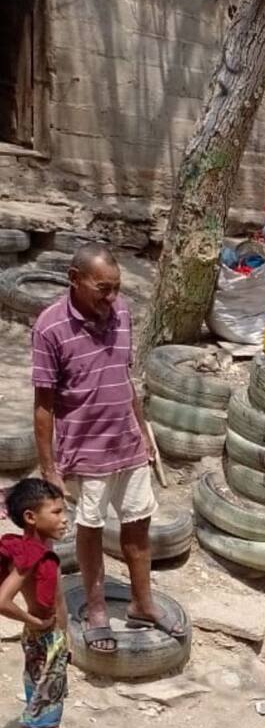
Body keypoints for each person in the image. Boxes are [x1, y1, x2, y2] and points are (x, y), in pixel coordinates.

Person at [31, 244, 184, 654]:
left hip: (128, 444)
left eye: (116, 288)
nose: (112, 298)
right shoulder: (50, 327)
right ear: (73, 279)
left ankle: (142, 602)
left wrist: (142, 431)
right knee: (91, 529)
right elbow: (44, 404)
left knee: (138, 526)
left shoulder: (123, 315)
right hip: (86, 449)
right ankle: (96, 608)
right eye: (103, 289)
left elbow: (124, 378)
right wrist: (49, 468)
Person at [0, 478, 90, 728]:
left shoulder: (41, 549)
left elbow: (58, 597)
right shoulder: (30, 556)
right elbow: (2, 600)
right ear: (30, 517)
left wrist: (67, 637)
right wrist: (32, 619)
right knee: (50, 709)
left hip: (50, 638)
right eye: (56, 511)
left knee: (39, 692)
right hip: (44, 638)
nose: (64, 518)